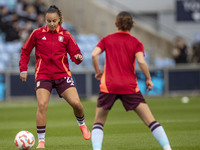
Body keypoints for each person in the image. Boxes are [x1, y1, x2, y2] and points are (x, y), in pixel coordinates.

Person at [91, 11, 172, 150]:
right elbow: (141, 61)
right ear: (132, 25)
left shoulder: (107, 39)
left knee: (99, 122)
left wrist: (98, 71)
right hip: (129, 86)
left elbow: (93, 54)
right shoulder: (136, 43)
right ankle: (167, 148)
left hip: (109, 85)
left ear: (116, 24)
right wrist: (148, 78)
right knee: (150, 121)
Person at [19, 5, 91, 149]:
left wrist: (78, 57)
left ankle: (82, 125)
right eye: (49, 21)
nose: (51, 24)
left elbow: (76, 54)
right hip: (43, 75)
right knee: (42, 105)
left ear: (59, 20)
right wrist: (23, 69)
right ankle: (41, 141)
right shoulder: (37, 33)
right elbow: (25, 51)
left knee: (76, 104)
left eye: (54, 21)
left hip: (62, 75)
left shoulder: (66, 35)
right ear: (45, 20)